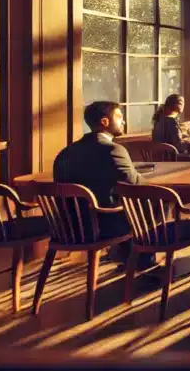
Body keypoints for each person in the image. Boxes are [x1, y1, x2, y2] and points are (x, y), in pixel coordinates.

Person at [53, 101, 143, 262]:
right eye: (119, 117)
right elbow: (137, 185)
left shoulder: (65, 153)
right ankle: (142, 259)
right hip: (102, 227)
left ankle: (126, 255)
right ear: (105, 121)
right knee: (157, 202)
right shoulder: (112, 150)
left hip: (68, 227)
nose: (123, 121)